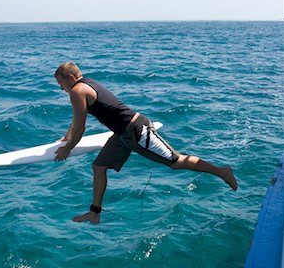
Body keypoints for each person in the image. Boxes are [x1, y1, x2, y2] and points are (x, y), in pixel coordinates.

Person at [54, 62, 238, 224]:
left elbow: (81, 127)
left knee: (176, 162)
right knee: (99, 167)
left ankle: (221, 171)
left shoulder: (77, 91)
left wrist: (67, 149)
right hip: (122, 134)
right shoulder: (87, 84)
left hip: (136, 131)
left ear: (70, 78)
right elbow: (77, 121)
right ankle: (94, 213)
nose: (62, 89)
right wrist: (67, 136)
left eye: (61, 84)